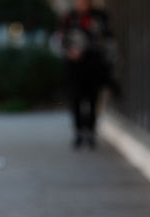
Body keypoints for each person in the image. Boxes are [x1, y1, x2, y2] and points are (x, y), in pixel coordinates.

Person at [59, 0, 113, 149]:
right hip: (75, 67)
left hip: (94, 65)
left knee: (93, 99)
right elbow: (62, 40)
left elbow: (108, 39)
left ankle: (91, 132)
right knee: (75, 99)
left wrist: (109, 62)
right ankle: (78, 133)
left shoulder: (100, 17)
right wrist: (70, 52)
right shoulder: (69, 18)